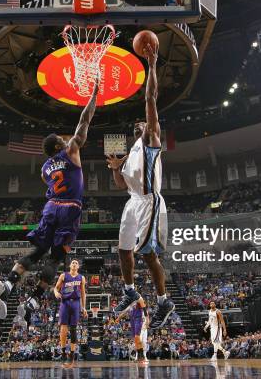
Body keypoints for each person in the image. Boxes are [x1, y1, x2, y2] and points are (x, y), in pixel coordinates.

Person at [0, 77, 100, 319]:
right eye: (61, 140)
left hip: (51, 207)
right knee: (56, 257)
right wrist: (94, 95)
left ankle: (10, 282)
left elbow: (48, 184)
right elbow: (85, 120)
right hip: (70, 207)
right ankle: (33, 300)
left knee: (37, 251)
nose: (65, 140)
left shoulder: (44, 169)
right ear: (57, 146)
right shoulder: (72, 150)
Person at [106, 42, 174, 329]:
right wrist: (114, 168)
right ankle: (130, 290)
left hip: (150, 200)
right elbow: (121, 185)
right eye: (136, 125)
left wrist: (152, 65)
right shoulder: (132, 149)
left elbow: (151, 99)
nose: (139, 125)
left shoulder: (151, 140)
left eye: (143, 123)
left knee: (147, 254)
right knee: (123, 249)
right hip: (133, 200)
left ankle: (163, 301)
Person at [53, 259, 87, 363]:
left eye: (76, 263)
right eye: (73, 262)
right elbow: (55, 288)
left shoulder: (81, 278)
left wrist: (84, 307)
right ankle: (63, 352)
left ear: (78, 267)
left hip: (76, 303)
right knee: (63, 328)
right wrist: (56, 293)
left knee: (73, 329)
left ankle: (72, 353)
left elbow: (83, 293)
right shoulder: (63, 275)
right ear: (70, 265)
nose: (74, 264)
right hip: (65, 302)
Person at [115, 296, 150, 363]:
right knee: (137, 342)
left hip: (143, 326)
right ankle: (137, 356)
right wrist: (119, 318)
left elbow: (146, 315)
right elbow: (125, 311)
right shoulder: (131, 306)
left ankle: (144, 357)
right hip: (135, 324)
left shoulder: (141, 306)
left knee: (144, 342)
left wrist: (147, 322)